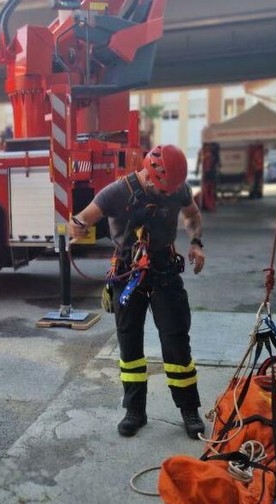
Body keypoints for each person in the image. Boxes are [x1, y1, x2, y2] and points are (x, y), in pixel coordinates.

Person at [67, 144, 207, 439]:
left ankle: (189, 410)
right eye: (166, 189)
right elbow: (82, 218)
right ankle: (135, 411)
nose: (172, 194)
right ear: (151, 175)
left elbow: (192, 215)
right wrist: (76, 226)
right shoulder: (116, 193)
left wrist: (196, 243)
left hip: (165, 272)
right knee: (129, 345)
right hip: (127, 275)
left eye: (176, 188)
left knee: (177, 342)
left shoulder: (178, 187)